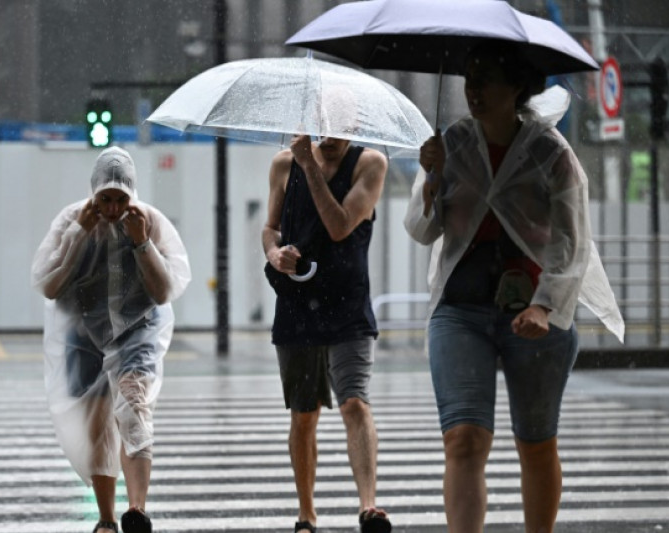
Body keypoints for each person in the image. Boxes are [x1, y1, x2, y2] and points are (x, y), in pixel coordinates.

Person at [403, 42, 624, 533]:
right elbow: (422, 231)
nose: (474, 89)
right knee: (463, 438)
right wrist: (431, 180)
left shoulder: (551, 153)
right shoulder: (453, 143)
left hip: (535, 312)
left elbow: (572, 242)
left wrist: (546, 307)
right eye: (470, 77)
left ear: (517, 88)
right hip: (459, 310)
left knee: (536, 441)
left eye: (487, 78)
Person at [32, 146, 191, 533]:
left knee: (135, 409)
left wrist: (141, 243)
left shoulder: (149, 222)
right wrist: (78, 235)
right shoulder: (73, 220)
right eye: (106, 198)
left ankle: (136, 510)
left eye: (122, 198)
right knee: (97, 424)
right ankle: (106, 518)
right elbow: (48, 284)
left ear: (133, 194)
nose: (114, 207)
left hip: (138, 332)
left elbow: (165, 289)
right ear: (94, 194)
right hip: (83, 334)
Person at [262, 133, 392, 533]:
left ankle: (368, 506)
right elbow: (270, 227)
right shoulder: (284, 163)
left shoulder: (370, 164)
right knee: (304, 416)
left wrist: (312, 170)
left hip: (348, 305)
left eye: (341, 128)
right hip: (298, 306)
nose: (332, 137)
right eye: (325, 127)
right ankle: (306, 513)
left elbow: (339, 226)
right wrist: (274, 253)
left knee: (355, 401)